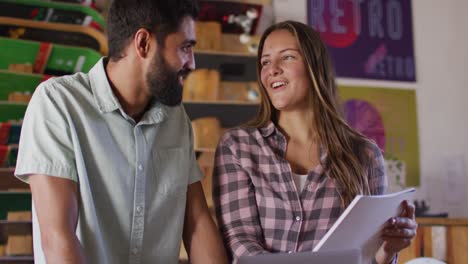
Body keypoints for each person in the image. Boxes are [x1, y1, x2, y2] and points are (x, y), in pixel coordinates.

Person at [14, 0, 228, 263]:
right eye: (185, 47)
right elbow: (58, 238)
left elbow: (197, 223)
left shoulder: (175, 118)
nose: (192, 64)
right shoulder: (59, 104)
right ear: (143, 43)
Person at [213, 20, 417, 263]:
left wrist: (388, 249)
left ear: (314, 66)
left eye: (286, 57)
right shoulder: (238, 147)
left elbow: (369, 256)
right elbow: (239, 240)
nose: (272, 69)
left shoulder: (365, 155)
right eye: (265, 62)